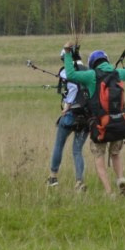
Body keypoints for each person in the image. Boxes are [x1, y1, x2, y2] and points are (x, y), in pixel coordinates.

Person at [62, 40, 125, 196]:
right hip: (119, 122)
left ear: (93, 63)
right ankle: (121, 180)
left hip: (100, 125)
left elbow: (70, 74)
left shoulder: (91, 75)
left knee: (99, 157)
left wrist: (67, 53)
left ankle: (108, 191)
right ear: (106, 60)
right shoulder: (117, 73)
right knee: (115, 154)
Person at [48, 49, 88, 191]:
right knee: (77, 150)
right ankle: (79, 181)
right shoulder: (88, 71)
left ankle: (53, 177)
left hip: (70, 115)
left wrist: (66, 107)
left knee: (59, 145)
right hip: (86, 118)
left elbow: (70, 89)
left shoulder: (65, 71)